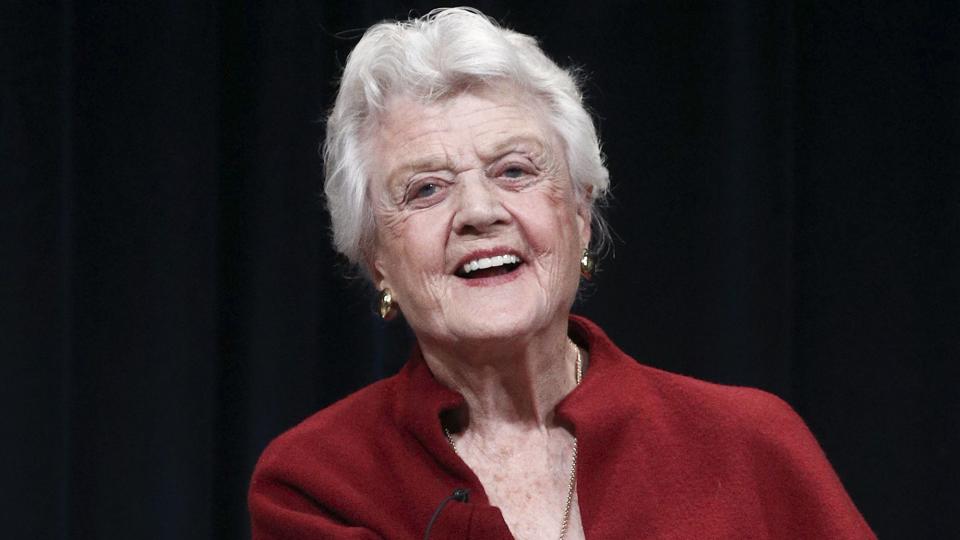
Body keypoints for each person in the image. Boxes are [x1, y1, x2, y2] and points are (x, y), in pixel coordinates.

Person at [248, 8, 874, 539]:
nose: (480, 212)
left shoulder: (750, 446)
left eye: (515, 171)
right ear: (376, 256)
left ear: (579, 210)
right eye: (426, 190)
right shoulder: (317, 482)